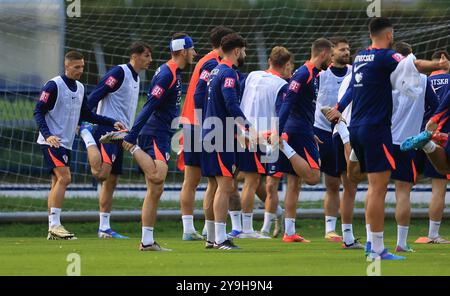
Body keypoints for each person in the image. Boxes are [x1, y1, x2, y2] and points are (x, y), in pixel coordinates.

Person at [326, 17, 449, 260]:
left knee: (364, 183)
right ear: (389, 35)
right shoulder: (388, 58)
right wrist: (440, 63)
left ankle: (371, 243)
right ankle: (381, 248)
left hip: (358, 128)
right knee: (388, 190)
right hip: (383, 133)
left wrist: (339, 107)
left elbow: (351, 89)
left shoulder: (360, 57)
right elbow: (417, 67)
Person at [106, 33, 197, 251]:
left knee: (155, 189)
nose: (195, 53)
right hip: (155, 132)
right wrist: (132, 136)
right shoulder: (167, 73)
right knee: (158, 175)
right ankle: (128, 143)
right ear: (183, 51)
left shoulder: (171, 71)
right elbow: (150, 105)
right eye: (192, 49)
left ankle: (147, 241)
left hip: (162, 132)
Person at [33, 51, 124, 240]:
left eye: (82, 67)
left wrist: (111, 122)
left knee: (57, 182)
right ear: (66, 66)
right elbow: (38, 111)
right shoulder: (53, 85)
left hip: (66, 142)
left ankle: (52, 228)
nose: (80, 70)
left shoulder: (81, 88)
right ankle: (56, 225)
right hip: (52, 141)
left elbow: (87, 115)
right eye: (76, 67)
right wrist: (48, 135)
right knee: (65, 178)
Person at [79, 41, 152, 239]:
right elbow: (96, 95)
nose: (150, 60)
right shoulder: (119, 73)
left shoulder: (137, 78)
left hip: (122, 134)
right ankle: (86, 135)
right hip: (107, 131)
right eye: (146, 56)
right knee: (102, 174)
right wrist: (83, 119)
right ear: (135, 56)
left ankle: (104, 228)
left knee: (111, 180)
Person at [179, 26, 234, 242]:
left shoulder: (205, 60)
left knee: (203, 180)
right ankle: (200, 229)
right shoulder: (214, 64)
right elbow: (201, 94)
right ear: (224, 45)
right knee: (212, 181)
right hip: (201, 124)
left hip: (193, 123)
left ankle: (199, 229)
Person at [275, 38, 333, 243]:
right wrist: (279, 132)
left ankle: (289, 232)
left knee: (294, 183)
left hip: (302, 129)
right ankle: (284, 147)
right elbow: (287, 101)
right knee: (313, 177)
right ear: (324, 54)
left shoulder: (313, 74)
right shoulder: (303, 73)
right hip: (297, 131)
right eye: (331, 56)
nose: (332, 61)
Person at [201, 33, 251, 250]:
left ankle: (212, 237)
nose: (245, 55)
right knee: (225, 185)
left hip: (210, 132)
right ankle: (221, 238)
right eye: (245, 51)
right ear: (237, 51)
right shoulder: (229, 72)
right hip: (219, 136)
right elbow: (230, 103)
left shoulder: (214, 71)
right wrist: (247, 127)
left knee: (214, 186)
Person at [237, 46, 293, 238]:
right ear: (286, 65)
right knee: (251, 181)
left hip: (239, 129)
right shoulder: (281, 85)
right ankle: (245, 228)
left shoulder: (253, 75)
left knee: (243, 178)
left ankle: (230, 226)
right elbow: (281, 113)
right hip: (260, 134)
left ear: (269, 61)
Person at [389, 42, 439, 252]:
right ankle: (401, 243)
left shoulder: (387, 79)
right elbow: (435, 108)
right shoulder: (423, 80)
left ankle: (373, 242)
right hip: (406, 144)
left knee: (375, 190)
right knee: (403, 193)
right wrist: (423, 127)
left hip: (383, 140)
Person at [313, 37, 352, 243]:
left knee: (348, 182)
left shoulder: (355, 72)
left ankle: (348, 230)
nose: (346, 52)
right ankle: (330, 229)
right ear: (331, 52)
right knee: (331, 183)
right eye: (342, 49)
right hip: (322, 131)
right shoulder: (320, 75)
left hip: (346, 131)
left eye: (348, 49)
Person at [412, 50, 450, 245]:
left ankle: (383, 234)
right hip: (441, 138)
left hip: (415, 132)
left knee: (402, 185)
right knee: (439, 188)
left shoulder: (421, 79)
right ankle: (433, 234)